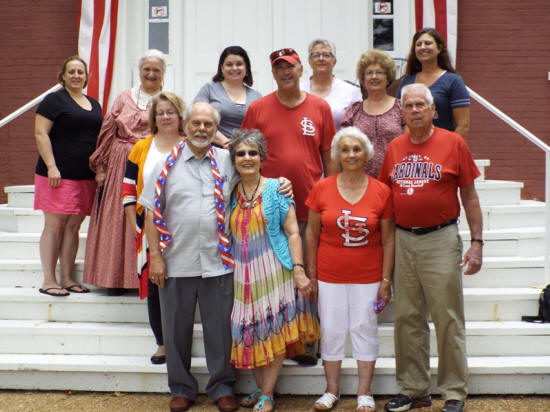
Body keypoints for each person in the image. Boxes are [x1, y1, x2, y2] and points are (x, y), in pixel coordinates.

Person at [138, 102, 292, 412]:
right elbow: (152, 212)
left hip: (219, 261)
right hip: (176, 261)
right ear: (186, 124)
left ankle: (222, 387)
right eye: (196, 122)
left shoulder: (226, 160)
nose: (202, 129)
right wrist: (155, 256)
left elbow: (254, 178)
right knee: (175, 330)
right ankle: (181, 388)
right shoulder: (164, 164)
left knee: (220, 331)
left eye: (208, 124)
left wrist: (281, 184)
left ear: (215, 128)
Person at [379, 83, 483, 412]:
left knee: (447, 317)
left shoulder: (453, 143)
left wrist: (477, 242)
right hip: (403, 238)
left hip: (440, 238)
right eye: (408, 106)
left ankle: (453, 391)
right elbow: (385, 197)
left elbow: (470, 196)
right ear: (402, 112)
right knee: (407, 317)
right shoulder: (395, 147)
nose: (414, 110)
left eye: (420, 105)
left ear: (433, 110)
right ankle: (414, 389)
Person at [241, 47, 338, 365]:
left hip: (309, 207)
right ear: (273, 73)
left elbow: (328, 157)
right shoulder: (257, 109)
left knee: (307, 274)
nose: (285, 72)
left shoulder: (320, 107)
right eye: (279, 67)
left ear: (300, 70)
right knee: (276, 277)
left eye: (290, 66)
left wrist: (331, 199)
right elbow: (244, 155)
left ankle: (308, 342)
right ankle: (279, 342)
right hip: (268, 210)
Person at [228, 129, 320, 412]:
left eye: (253, 153)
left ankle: (267, 393)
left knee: (273, 329)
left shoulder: (276, 189)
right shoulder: (231, 191)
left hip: (274, 271)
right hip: (243, 275)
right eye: (241, 153)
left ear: (262, 157)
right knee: (250, 330)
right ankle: (260, 388)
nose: (247, 158)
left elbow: (293, 232)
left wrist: (299, 269)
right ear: (233, 160)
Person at [305, 127, 394, 412]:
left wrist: (386, 280)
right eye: (345, 149)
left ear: (367, 154)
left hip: (368, 276)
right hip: (329, 275)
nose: (351, 154)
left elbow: (389, 239)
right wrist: (311, 275)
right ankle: (331, 390)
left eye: (357, 149)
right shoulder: (321, 188)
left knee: (363, 328)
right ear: (337, 155)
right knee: (331, 329)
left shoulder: (382, 191)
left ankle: (364, 392)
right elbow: (311, 235)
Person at [84, 49, 166, 295]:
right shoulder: (123, 97)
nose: (151, 74)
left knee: (148, 215)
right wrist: (101, 168)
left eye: (156, 70)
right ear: (139, 72)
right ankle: (115, 278)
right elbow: (107, 132)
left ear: (163, 73)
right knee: (118, 218)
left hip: (152, 161)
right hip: (121, 163)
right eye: (146, 69)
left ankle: (146, 276)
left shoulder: (167, 100)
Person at [121, 92, 185, 365]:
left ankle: (182, 340)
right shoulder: (140, 148)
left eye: (171, 111)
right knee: (156, 284)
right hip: (149, 230)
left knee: (183, 285)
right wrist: (135, 229)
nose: (166, 116)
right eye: (161, 112)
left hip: (184, 229)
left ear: (180, 115)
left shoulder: (190, 145)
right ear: (154, 117)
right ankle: (162, 343)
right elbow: (128, 191)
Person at [34, 55, 103, 296]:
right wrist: (51, 166)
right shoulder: (54, 100)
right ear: (63, 76)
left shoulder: (94, 104)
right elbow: (41, 133)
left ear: (87, 77)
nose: (76, 75)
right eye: (71, 71)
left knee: (74, 227)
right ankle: (49, 280)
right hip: (57, 175)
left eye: (80, 72)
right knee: (55, 226)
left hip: (84, 176)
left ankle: (67, 278)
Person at [341, 49, 405, 177]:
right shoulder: (353, 111)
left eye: (379, 72)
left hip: (397, 177)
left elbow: (409, 145)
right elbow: (344, 148)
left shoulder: (401, 108)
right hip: (361, 180)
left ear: (388, 78)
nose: (374, 77)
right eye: (369, 73)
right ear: (363, 79)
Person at [398, 28, 470, 138]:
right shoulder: (406, 81)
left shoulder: (453, 81)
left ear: (439, 48)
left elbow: (463, 125)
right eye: (419, 44)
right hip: (414, 145)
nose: (423, 47)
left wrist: (451, 146)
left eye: (428, 43)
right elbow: (401, 120)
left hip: (444, 144)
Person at [194, 45, 262, 147]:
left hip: (245, 152)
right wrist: (226, 142)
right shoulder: (209, 89)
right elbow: (196, 119)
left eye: (239, 64)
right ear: (222, 68)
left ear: (246, 67)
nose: (234, 68)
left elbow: (261, 129)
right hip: (213, 151)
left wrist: (240, 148)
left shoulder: (256, 96)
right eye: (229, 64)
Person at [300, 39, 362, 129]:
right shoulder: (299, 90)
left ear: (334, 62)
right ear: (310, 62)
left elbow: (358, 128)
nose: (321, 59)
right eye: (316, 55)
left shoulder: (351, 92)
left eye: (326, 55)